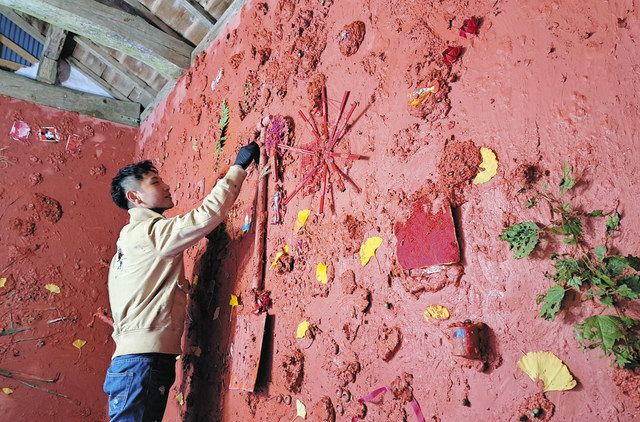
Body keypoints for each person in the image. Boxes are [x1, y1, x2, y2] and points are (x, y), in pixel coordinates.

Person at [103, 142, 260, 421]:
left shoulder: (128, 242)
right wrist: (238, 168)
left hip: (135, 363)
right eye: (155, 182)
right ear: (135, 197)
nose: (165, 186)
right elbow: (204, 217)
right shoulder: (148, 235)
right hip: (141, 363)